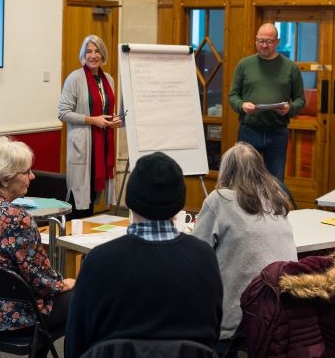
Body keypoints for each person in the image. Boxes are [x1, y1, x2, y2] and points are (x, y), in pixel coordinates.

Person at [65, 152, 223, 358]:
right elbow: (212, 334)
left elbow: (76, 341)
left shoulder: (99, 260)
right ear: (179, 205)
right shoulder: (204, 257)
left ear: (130, 201)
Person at [0, 136, 75, 358]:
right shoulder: (18, 219)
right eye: (26, 172)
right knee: (80, 297)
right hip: (14, 319)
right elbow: (42, 282)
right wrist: (65, 284)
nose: (32, 176)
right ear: (5, 179)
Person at [192, 142, 297, 349]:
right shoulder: (276, 198)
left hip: (236, 320)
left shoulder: (220, 199)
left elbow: (196, 253)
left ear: (226, 171)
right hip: (282, 314)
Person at [228, 22, 305, 181]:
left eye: (268, 41)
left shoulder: (290, 67)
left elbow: (300, 100)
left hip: (277, 132)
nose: (264, 45)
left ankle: (273, 207)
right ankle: (245, 207)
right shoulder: (244, 65)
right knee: (244, 179)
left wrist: (289, 109)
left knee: (275, 181)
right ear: (256, 40)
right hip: (249, 130)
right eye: (260, 41)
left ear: (277, 42)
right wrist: (242, 105)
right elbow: (233, 96)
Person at [57, 35, 122, 218]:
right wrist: (93, 120)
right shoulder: (75, 78)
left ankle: (84, 241)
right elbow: (62, 113)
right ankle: (71, 241)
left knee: (92, 197)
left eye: (97, 51)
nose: (93, 55)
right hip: (83, 147)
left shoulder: (108, 79)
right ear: (83, 55)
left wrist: (113, 120)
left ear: (103, 54)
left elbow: (106, 110)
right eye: (89, 51)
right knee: (78, 200)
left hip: (102, 147)